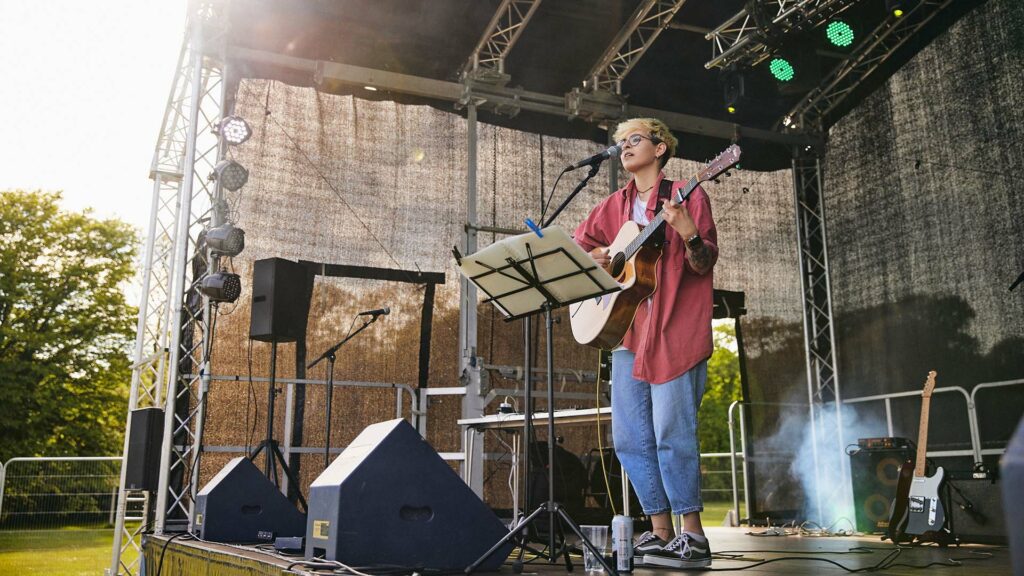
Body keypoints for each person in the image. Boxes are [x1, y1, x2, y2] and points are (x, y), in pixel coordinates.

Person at [572, 117, 718, 569]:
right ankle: (659, 532)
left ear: (660, 148)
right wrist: (598, 257)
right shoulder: (613, 205)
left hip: (674, 330)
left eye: (634, 139)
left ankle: (691, 535)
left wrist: (687, 230)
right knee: (631, 440)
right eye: (619, 143)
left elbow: (703, 261)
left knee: (673, 434)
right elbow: (581, 247)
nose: (624, 148)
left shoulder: (685, 195)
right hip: (627, 331)